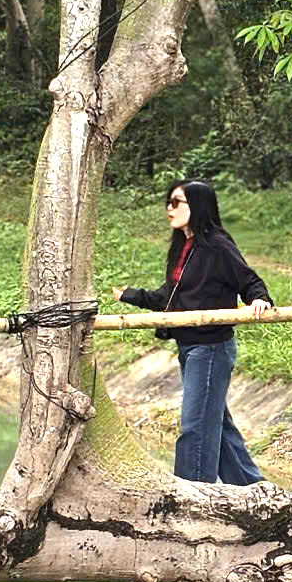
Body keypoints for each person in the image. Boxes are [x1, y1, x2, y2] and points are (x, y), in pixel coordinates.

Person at [118, 180, 276, 485]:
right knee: (216, 423)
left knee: (196, 426)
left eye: (176, 203)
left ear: (197, 206)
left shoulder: (216, 244)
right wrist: (132, 295)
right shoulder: (183, 247)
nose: (169, 209)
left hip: (211, 348)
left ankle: (191, 495)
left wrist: (259, 298)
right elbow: (171, 296)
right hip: (189, 346)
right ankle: (253, 490)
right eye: (168, 202)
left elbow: (248, 279)